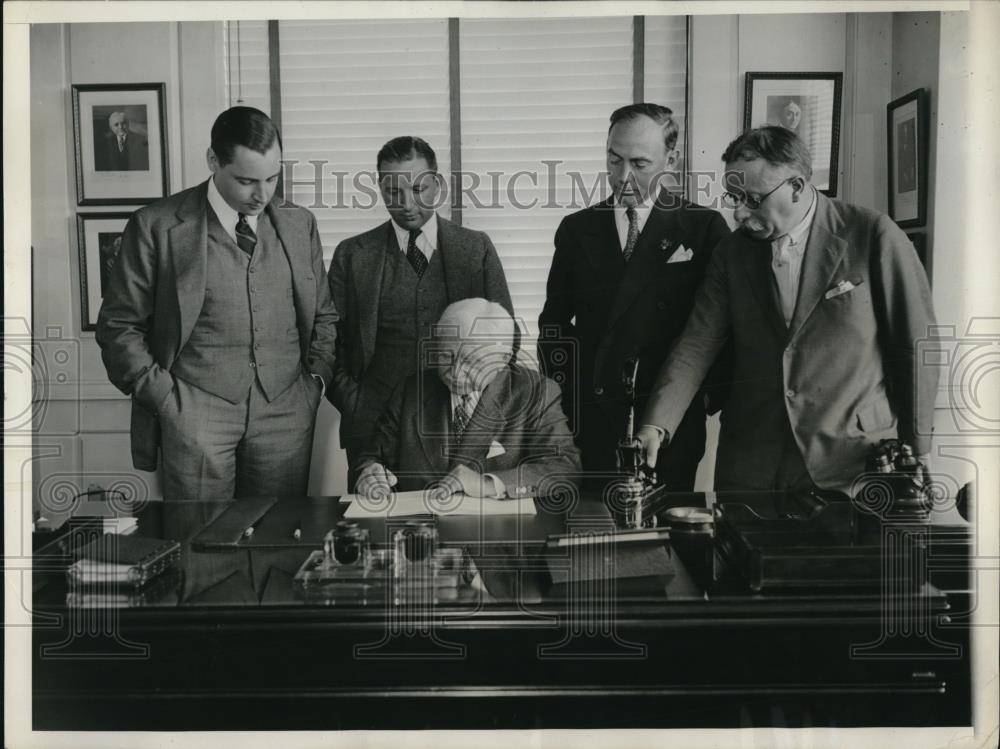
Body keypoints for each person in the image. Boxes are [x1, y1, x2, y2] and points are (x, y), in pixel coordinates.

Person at [636, 125, 938, 494]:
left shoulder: (872, 234)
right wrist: (656, 425)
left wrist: (917, 452)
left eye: (752, 199)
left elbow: (916, 344)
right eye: (733, 198)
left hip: (853, 462)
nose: (740, 214)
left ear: (796, 187)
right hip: (753, 464)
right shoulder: (731, 254)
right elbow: (697, 342)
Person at [96, 106, 338, 500]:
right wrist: (166, 399)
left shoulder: (300, 224)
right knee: (202, 547)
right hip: (192, 414)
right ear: (213, 161)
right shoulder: (155, 225)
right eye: (246, 181)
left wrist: (314, 385)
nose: (262, 194)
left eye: (273, 178)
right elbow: (119, 326)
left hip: (287, 411)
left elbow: (324, 314)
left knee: (277, 546)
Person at [537, 103, 730, 491]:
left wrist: (705, 399)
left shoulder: (702, 227)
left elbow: (720, 327)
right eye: (613, 160)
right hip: (592, 419)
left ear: (670, 160)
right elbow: (553, 325)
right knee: (594, 540)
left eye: (640, 164)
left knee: (665, 541)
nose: (623, 177)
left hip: (667, 422)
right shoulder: (577, 229)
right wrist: (568, 402)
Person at [327, 136, 513, 487]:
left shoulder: (475, 249)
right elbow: (327, 346)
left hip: (458, 426)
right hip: (373, 430)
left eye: (419, 188)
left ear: (437, 184)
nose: (407, 203)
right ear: (379, 189)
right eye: (393, 191)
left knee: (466, 531)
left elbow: (505, 343)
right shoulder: (352, 255)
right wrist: (356, 405)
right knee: (378, 532)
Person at [356, 299, 581, 499]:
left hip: (495, 539)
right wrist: (371, 473)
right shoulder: (411, 390)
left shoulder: (535, 392)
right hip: (420, 535)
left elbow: (565, 469)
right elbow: (374, 457)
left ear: (503, 360)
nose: (455, 372)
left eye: (472, 362)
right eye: (446, 356)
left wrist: (489, 483)